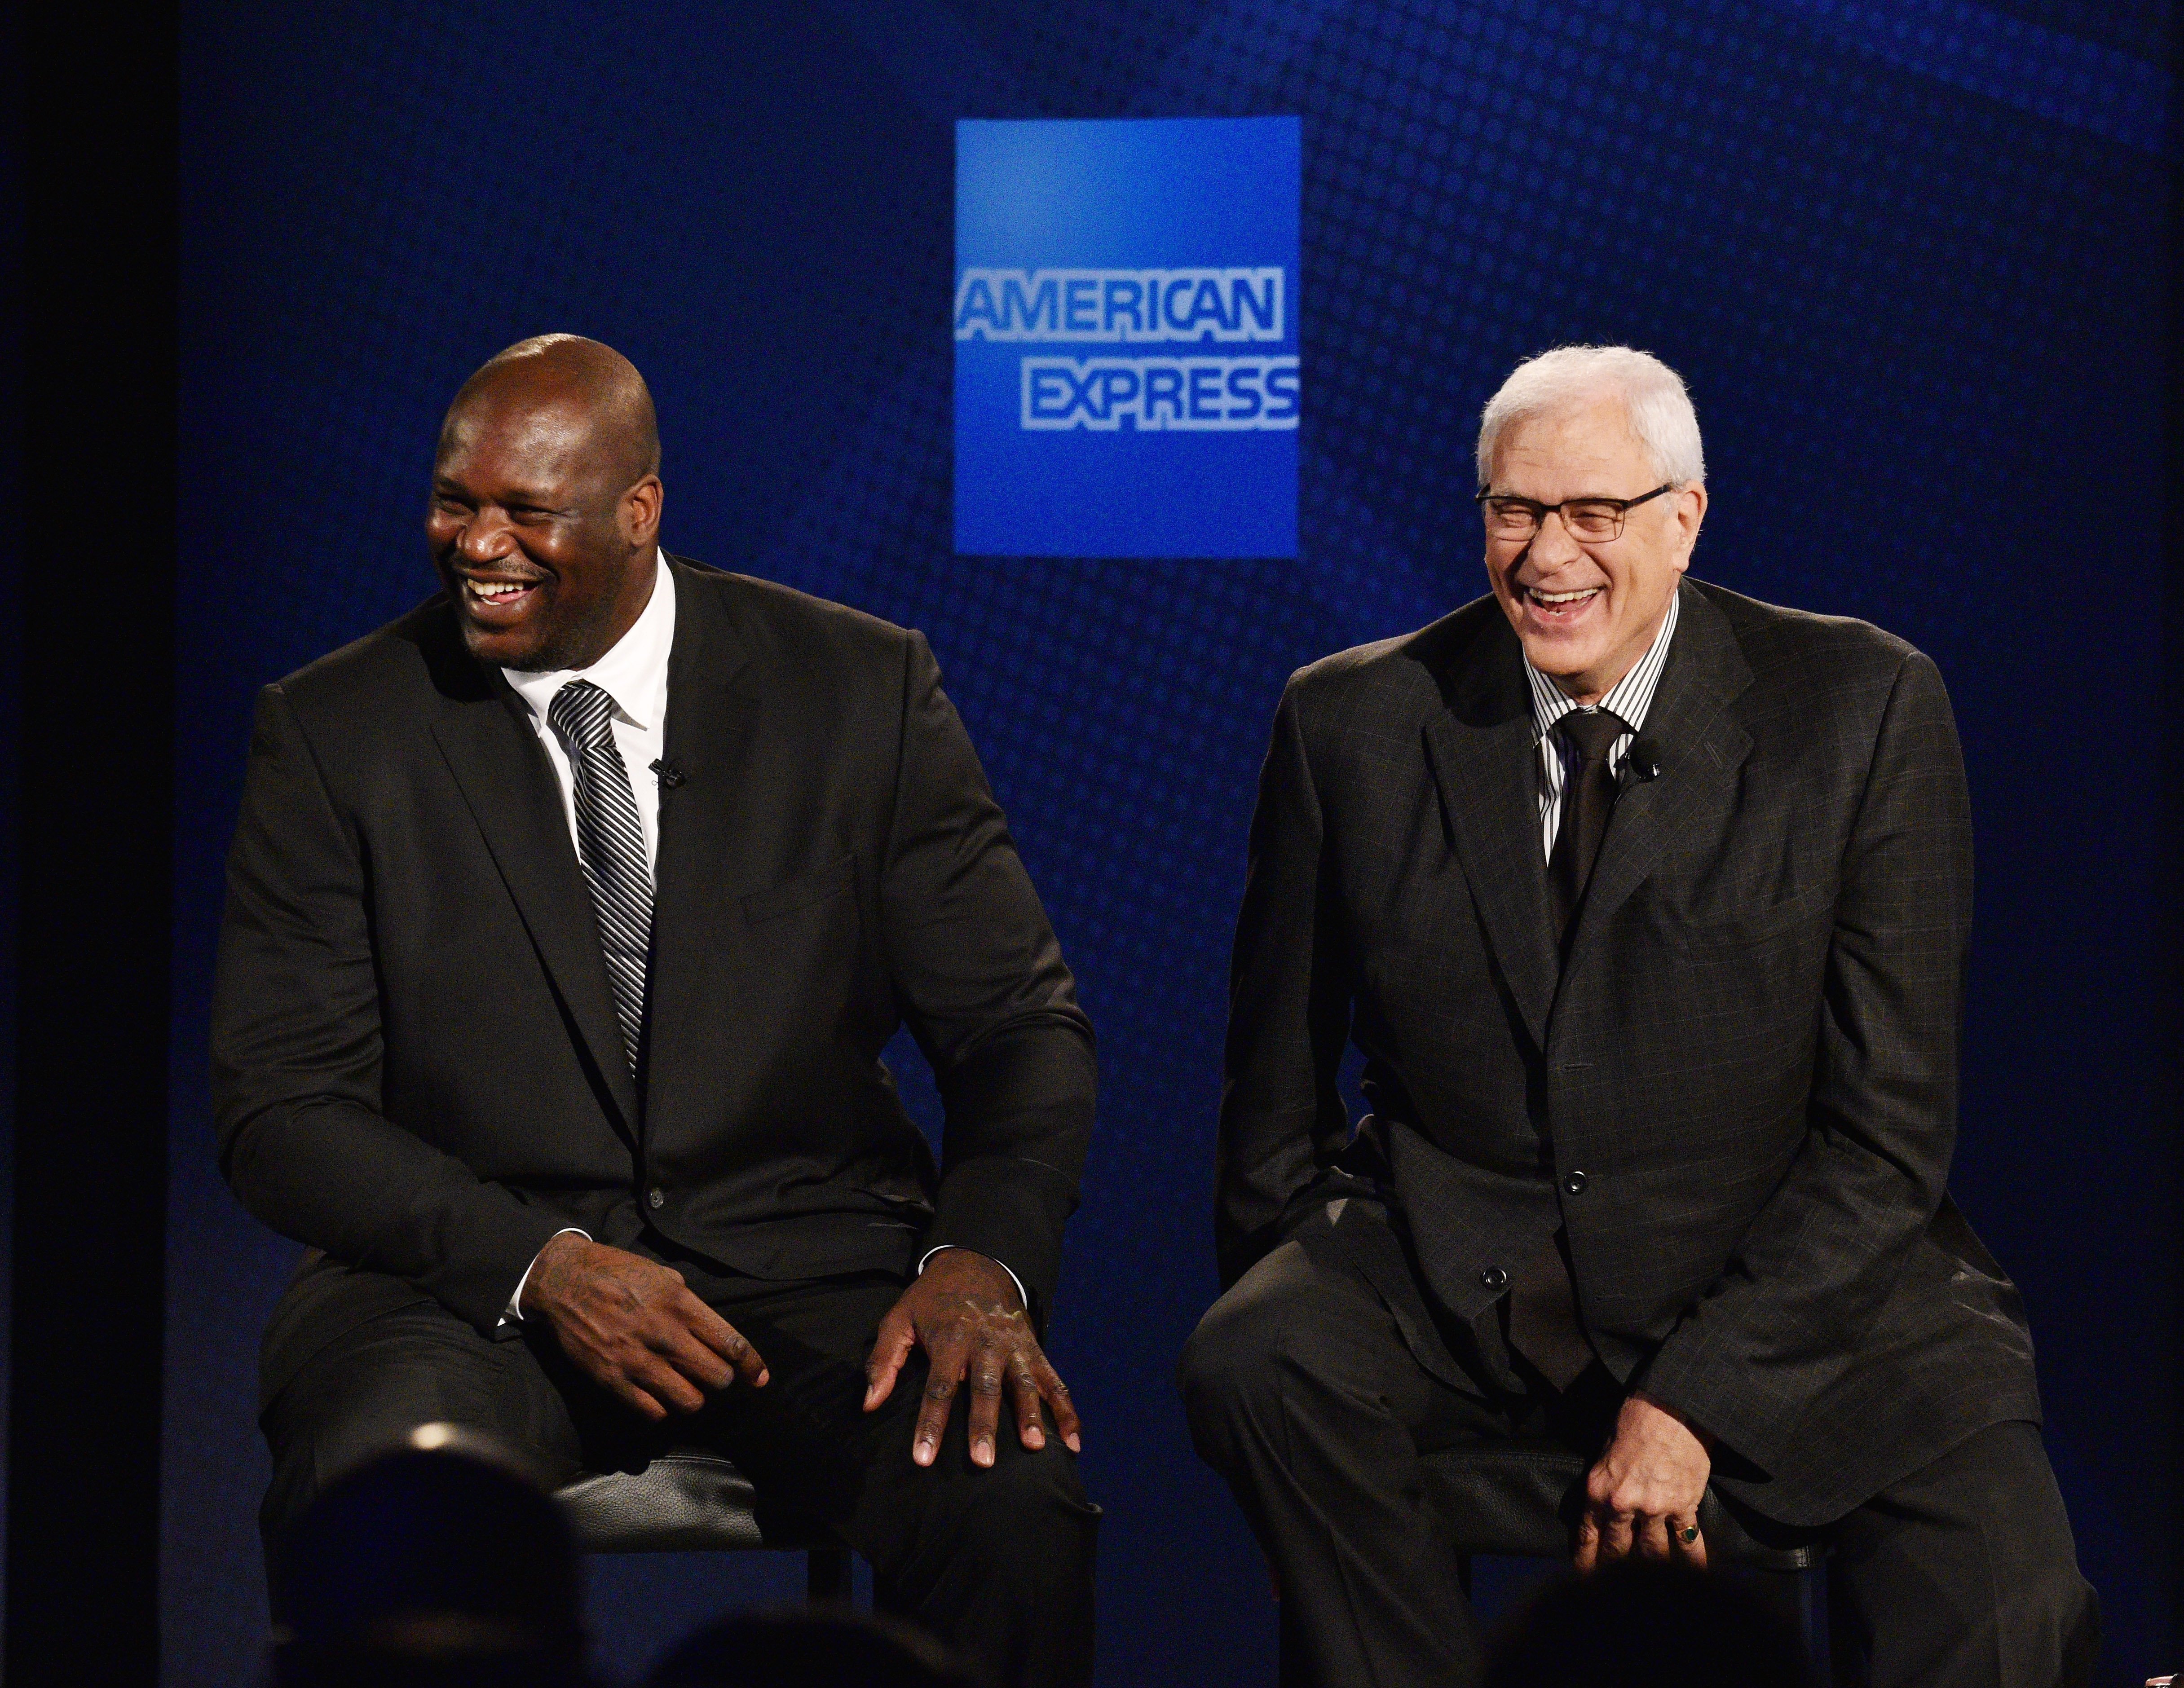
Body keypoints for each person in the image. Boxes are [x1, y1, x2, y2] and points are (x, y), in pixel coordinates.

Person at [1179, 344, 2097, 1687]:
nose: (1548, 556)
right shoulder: (1354, 722)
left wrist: (1697, 1396)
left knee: (2004, 1604)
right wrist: (1290, 1486)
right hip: (1472, 1269)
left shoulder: (1861, 707)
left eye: (1593, 514)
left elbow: (1886, 1137)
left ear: (1686, 517)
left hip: (1800, 1279)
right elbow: (1274, 1101)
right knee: (1257, 1365)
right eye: (1514, 511)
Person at [215, 335, 1099, 1688]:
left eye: (527, 511)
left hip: (805, 1268)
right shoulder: (340, 730)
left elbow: (1021, 1033)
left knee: (1007, 1489)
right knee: (382, 1495)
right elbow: (282, 1110)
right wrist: (545, 1263)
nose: (476, 543)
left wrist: (978, 1260)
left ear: (639, 513)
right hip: (465, 1285)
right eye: (458, 500)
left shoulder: (858, 691)